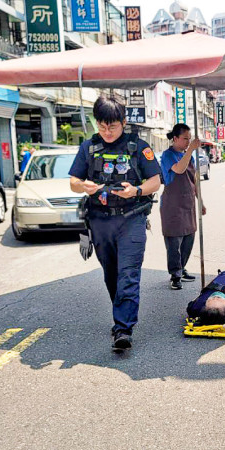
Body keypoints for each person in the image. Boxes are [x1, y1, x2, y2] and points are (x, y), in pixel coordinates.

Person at [68, 95, 163, 352]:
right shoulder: (88, 148)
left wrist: (136, 191)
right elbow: (73, 181)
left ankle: (123, 328)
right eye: (102, 126)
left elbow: (155, 181)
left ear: (123, 122)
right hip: (100, 221)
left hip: (131, 219)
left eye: (112, 126)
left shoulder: (138, 147)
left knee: (128, 275)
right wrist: (83, 186)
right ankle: (121, 314)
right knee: (112, 274)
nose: (107, 131)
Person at [159, 123, 206, 290]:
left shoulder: (189, 157)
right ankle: (175, 274)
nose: (188, 141)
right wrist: (190, 150)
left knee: (188, 239)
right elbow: (179, 170)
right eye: (185, 138)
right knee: (174, 241)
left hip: (188, 203)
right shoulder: (168, 155)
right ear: (175, 138)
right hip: (172, 204)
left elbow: (194, 181)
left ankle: (182, 268)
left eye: (189, 138)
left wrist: (200, 201)